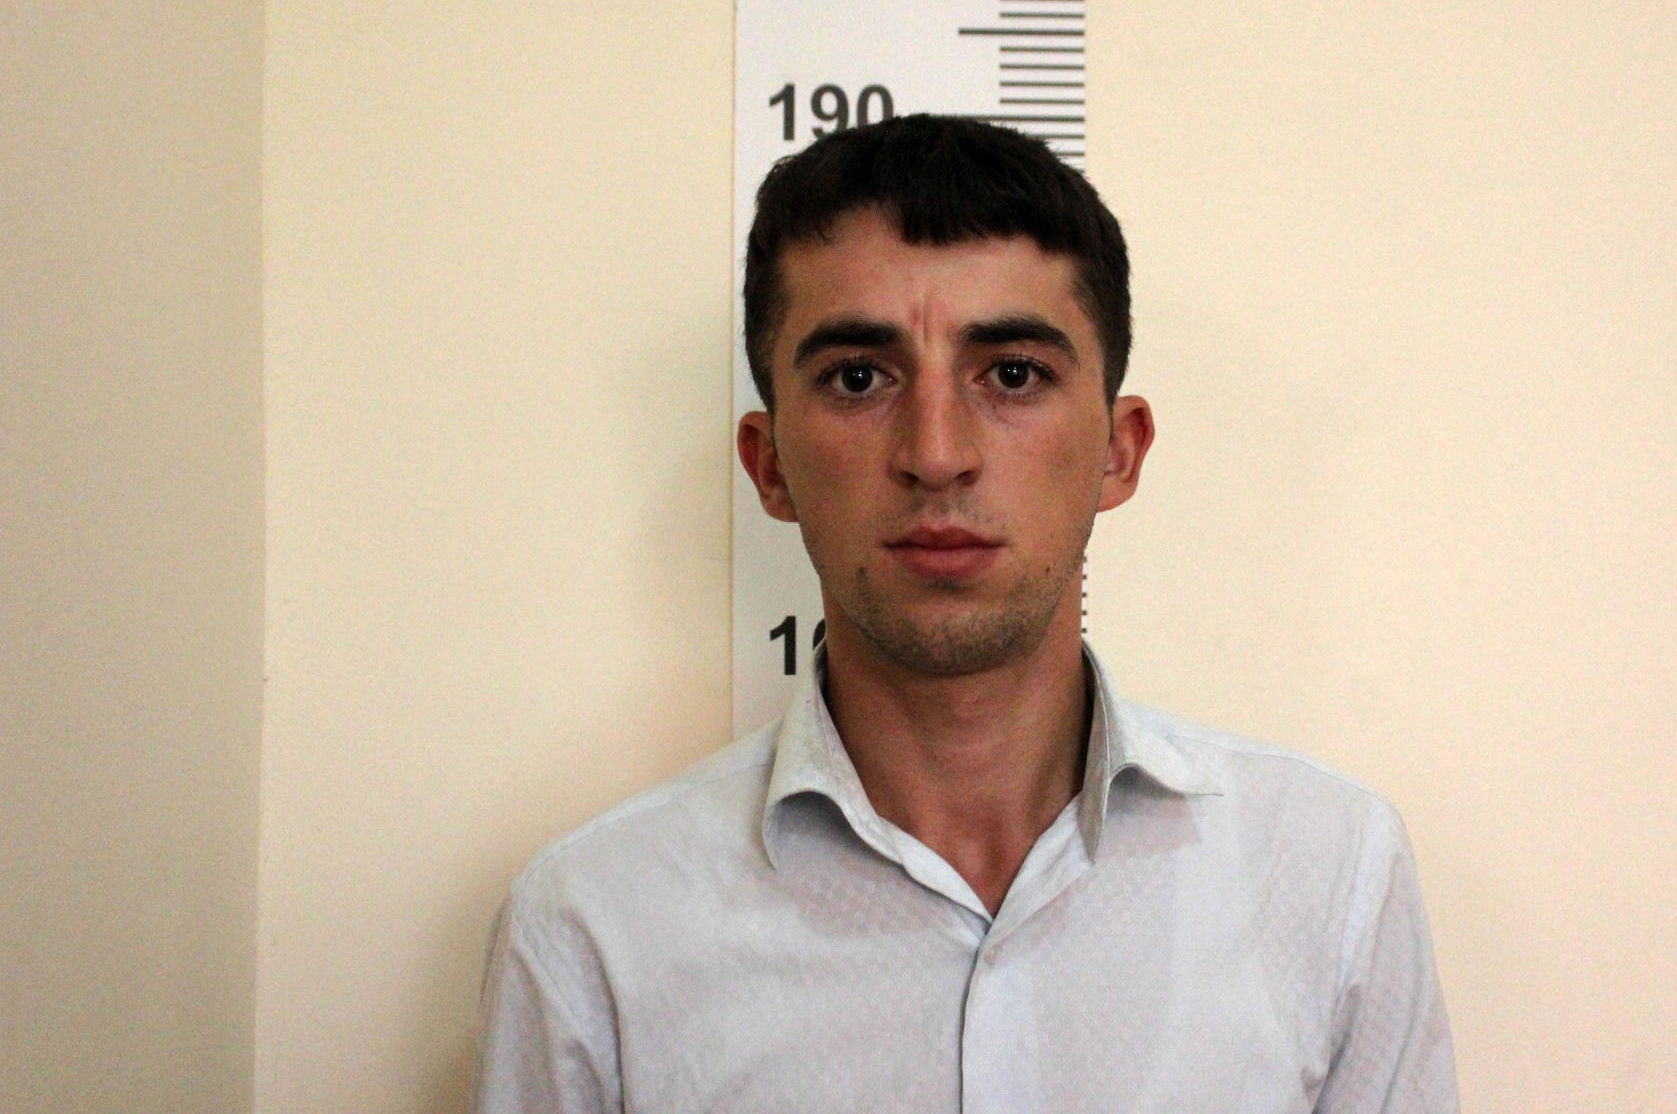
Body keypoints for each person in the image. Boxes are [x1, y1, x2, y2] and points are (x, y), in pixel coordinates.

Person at [471, 115, 1459, 1113]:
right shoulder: (592, 930)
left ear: (1118, 451)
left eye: (1013, 374)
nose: (937, 453)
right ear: (770, 467)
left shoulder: (1330, 875)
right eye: (859, 378)